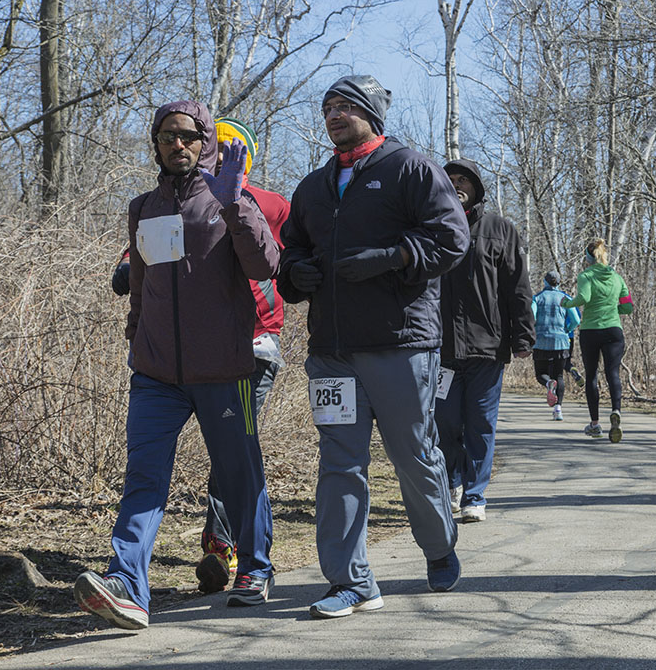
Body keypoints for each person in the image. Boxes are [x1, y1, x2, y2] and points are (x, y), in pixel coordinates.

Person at [74, 101, 279, 631]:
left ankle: (255, 568)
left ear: (206, 140)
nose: (178, 144)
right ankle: (128, 588)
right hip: (155, 373)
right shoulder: (143, 207)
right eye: (167, 136)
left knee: (239, 473)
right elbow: (141, 285)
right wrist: (135, 339)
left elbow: (264, 265)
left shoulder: (232, 196)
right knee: (143, 477)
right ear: (156, 143)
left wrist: (236, 203)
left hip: (224, 369)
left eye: (189, 135)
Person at [275, 75, 469, 618]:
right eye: (327, 107)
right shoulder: (312, 187)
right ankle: (351, 581)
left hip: (400, 343)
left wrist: (392, 257)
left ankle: (438, 545)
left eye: (345, 106)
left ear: (371, 114)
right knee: (340, 462)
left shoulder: (410, 168)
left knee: (412, 454)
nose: (334, 114)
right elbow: (288, 254)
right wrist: (296, 274)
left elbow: (452, 237)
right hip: (332, 349)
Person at [436, 158, 535, 523]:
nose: (458, 184)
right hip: (440, 349)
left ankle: (474, 495)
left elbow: (518, 289)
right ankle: (452, 480)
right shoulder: (431, 227)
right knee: (444, 423)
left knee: (480, 422)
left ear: (477, 188)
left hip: (487, 347)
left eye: (465, 180)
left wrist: (523, 335)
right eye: (451, 179)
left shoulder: (500, 230)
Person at [562, 239, 633, 443]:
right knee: (613, 373)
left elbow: (583, 297)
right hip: (613, 330)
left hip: (591, 331)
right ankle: (616, 411)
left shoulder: (585, 276)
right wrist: (612, 309)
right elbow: (628, 307)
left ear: (588, 257)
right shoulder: (617, 278)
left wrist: (567, 303)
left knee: (591, 375)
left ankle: (594, 424)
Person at [531, 271, 581, 422]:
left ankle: (547, 383)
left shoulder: (537, 298)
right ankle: (558, 409)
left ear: (545, 282)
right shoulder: (565, 298)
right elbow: (576, 320)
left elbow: (531, 317)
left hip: (541, 341)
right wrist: (567, 329)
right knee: (559, 375)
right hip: (561, 341)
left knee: (540, 374)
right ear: (559, 283)